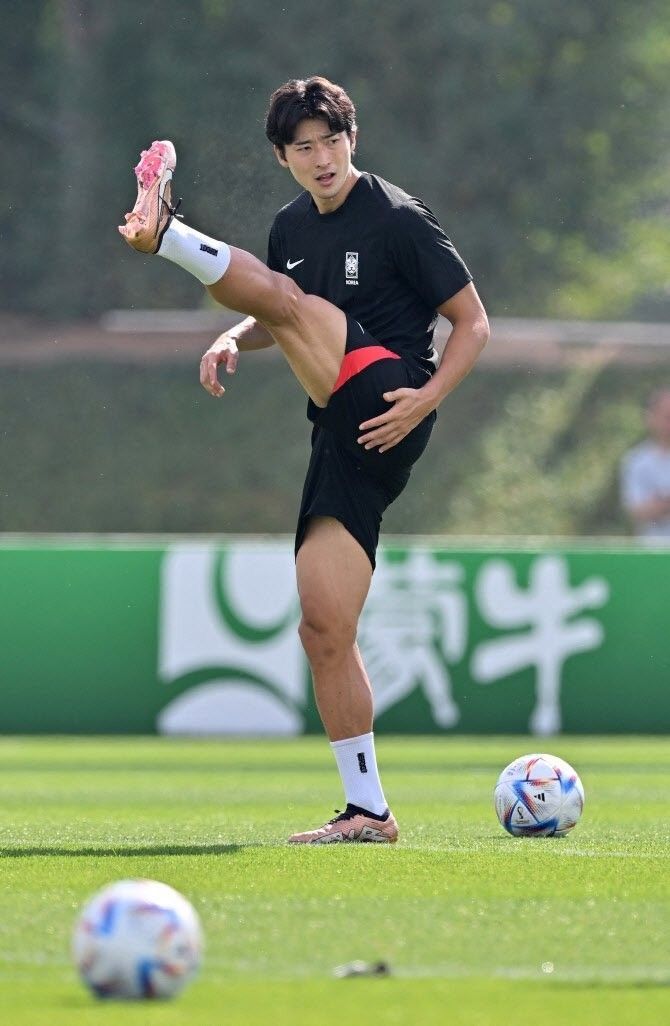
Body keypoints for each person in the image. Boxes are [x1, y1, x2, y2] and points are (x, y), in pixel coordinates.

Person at [119, 76, 489, 844]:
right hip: (342, 431)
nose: (322, 158)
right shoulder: (291, 226)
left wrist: (428, 400)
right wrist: (230, 338)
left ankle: (167, 233)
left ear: (353, 139)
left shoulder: (397, 217)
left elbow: (474, 323)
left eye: (332, 141)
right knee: (324, 629)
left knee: (291, 305)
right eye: (304, 147)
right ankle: (369, 810)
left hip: (392, 395)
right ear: (283, 157)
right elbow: (275, 315)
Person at [620, 388, 670, 540]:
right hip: (653, 551)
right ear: (651, 417)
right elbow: (638, 511)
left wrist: (660, 502)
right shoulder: (636, 461)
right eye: (667, 417)